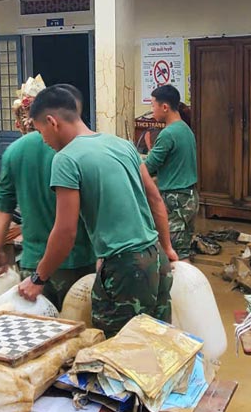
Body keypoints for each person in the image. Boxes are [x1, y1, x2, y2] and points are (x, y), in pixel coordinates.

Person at [16, 86, 178, 337]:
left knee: (119, 350)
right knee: (157, 343)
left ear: (52, 122)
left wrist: (38, 279)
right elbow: (155, 200)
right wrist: (166, 248)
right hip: (156, 259)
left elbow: (66, 231)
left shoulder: (66, 159)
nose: (44, 141)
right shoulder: (121, 145)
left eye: (41, 132)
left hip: (125, 269)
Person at [0, 84, 96, 311]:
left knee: (39, 334)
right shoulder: (84, 151)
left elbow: (4, 206)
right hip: (79, 263)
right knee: (82, 336)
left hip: (34, 265)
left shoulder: (15, 152)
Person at [145, 85, 198, 259]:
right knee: (182, 251)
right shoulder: (185, 129)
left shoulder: (168, 134)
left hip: (175, 200)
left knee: (172, 255)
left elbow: (148, 167)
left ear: (165, 107)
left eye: (153, 105)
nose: (152, 110)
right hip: (189, 198)